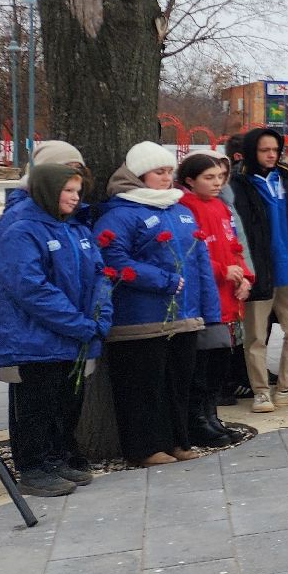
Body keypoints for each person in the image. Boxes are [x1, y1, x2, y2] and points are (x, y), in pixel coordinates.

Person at [95, 142, 220, 467]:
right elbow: (112, 258)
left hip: (184, 315)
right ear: (138, 175)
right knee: (144, 387)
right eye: (158, 172)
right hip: (140, 318)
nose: (166, 178)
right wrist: (161, 280)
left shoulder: (180, 210)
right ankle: (145, 447)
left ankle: (178, 440)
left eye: (169, 171)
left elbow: (200, 260)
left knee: (178, 384)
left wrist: (209, 309)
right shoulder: (120, 214)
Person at [0, 163, 110, 495]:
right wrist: (79, 324)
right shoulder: (22, 230)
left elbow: (101, 274)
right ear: (46, 191)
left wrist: (100, 317)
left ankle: (56, 457)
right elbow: (30, 287)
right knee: (36, 404)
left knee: (65, 401)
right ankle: (33, 467)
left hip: (74, 334)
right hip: (35, 338)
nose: (75, 197)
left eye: (78, 191)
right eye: (67, 191)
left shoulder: (75, 228)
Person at [227, 128, 288, 413]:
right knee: (256, 336)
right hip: (258, 271)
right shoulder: (238, 184)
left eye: (275, 149)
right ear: (251, 152)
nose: (271, 155)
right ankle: (261, 392)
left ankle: (287, 387)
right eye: (264, 150)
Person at [177, 153, 251, 447]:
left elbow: (234, 245)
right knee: (203, 364)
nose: (217, 182)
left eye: (220, 177)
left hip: (227, 296)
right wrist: (222, 270)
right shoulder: (186, 207)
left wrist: (245, 277)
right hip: (207, 298)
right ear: (190, 180)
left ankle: (211, 416)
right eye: (209, 177)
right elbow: (190, 254)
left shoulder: (220, 206)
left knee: (220, 362)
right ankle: (197, 420)